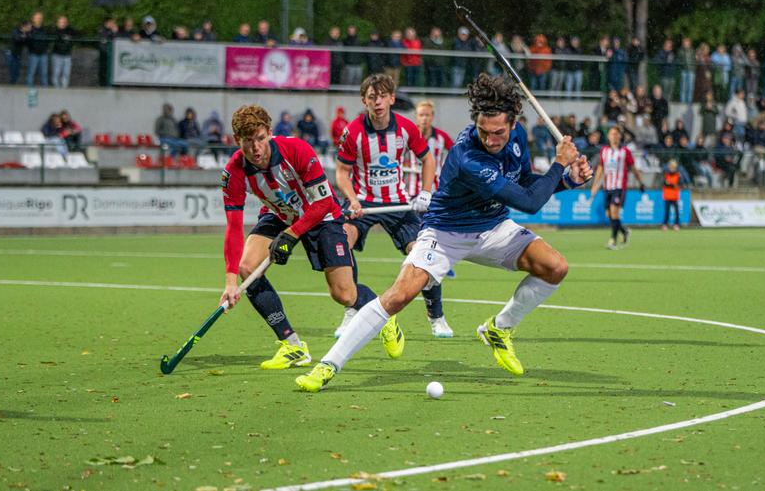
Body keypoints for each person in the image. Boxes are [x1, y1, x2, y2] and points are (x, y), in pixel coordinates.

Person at [295, 74, 592, 392]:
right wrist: (559, 165)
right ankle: (328, 365)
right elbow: (530, 204)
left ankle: (499, 328)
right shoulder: (468, 155)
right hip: (446, 231)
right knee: (400, 295)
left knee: (555, 267)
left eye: (499, 132)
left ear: (513, 122)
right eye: (484, 131)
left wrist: (566, 180)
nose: (491, 140)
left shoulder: (517, 136)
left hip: (493, 227)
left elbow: (522, 184)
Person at [220, 104, 377, 369]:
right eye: (248, 142)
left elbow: (323, 203)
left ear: (269, 133)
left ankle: (380, 312)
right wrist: (230, 280)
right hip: (281, 214)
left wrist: (291, 236)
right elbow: (234, 228)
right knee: (248, 267)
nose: (256, 149)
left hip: (322, 214)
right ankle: (292, 346)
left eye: (260, 139)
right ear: (238, 141)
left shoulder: (297, 150)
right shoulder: (234, 172)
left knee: (344, 294)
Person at [334, 73, 452, 339]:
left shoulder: (406, 128)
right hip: (362, 200)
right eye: (372, 97)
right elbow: (342, 172)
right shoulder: (352, 131)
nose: (378, 102)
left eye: (382, 96)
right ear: (364, 100)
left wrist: (424, 192)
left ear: (392, 98)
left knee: (423, 252)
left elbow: (428, 160)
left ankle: (436, 316)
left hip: (398, 201)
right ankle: (353, 308)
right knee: (342, 241)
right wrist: (352, 200)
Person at [590, 126, 646, 250]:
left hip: (619, 187)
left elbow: (633, 168)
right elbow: (601, 168)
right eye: (611, 134)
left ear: (620, 136)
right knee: (609, 214)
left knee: (614, 211)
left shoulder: (625, 151)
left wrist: (640, 182)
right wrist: (595, 185)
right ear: (608, 136)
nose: (614, 136)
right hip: (607, 186)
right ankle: (624, 231)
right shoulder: (604, 151)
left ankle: (613, 240)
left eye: (616, 134)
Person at [50, 15, 75, 88]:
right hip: (57, 55)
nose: (63, 23)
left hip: (67, 55)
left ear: (67, 23)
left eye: (64, 22)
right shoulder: (54, 30)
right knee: (56, 73)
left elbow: (78, 35)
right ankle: (57, 89)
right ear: (58, 23)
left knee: (66, 74)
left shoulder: (70, 30)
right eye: (61, 22)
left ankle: (64, 89)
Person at [26, 11, 49, 87]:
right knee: (31, 73)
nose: (38, 19)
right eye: (37, 18)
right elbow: (26, 40)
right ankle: (29, 91)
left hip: (43, 54)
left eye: (40, 18)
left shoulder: (45, 29)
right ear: (33, 19)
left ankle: (45, 91)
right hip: (33, 54)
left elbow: (47, 40)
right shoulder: (29, 28)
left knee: (44, 73)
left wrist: (46, 48)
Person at [6, 20, 31, 85]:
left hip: (18, 54)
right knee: (12, 68)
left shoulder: (27, 34)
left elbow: (27, 43)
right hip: (10, 52)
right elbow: (17, 39)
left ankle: (13, 83)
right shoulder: (16, 30)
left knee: (16, 70)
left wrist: (25, 37)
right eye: (29, 27)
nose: (30, 28)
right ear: (24, 26)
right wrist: (24, 37)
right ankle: (12, 83)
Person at [661, 159, 681, 230]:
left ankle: (676, 224)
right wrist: (671, 184)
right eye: (670, 166)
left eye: (673, 166)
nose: (672, 168)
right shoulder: (666, 174)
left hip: (674, 196)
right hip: (667, 196)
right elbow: (664, 183)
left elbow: (678, 185)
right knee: (667, 212)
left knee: (676, 212)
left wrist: (670, 184)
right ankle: (665, 224)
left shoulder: (678, 175)